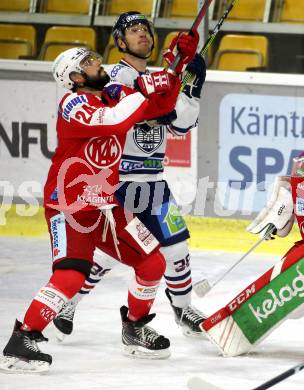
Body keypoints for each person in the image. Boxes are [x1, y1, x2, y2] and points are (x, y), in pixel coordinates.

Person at [0, 46, 184, 372]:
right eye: (88, 62)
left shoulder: (112, 96)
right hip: (69, 207)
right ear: (74, 77)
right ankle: (22, 340)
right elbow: (114, 120)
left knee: (152, 262)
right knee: (71, 275)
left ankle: (135, 326)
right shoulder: (72, 104)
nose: (99, 63)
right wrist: (144, 88)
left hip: (107, 205)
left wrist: (177, 70)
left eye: (95, 58)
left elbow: (160, 107)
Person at [54, 11, 207, 341]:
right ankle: (69, 302)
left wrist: (189, 83)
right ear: (120, 42)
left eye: (146, 30)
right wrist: (172, 72)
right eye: (134, 30)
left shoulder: (155, 77)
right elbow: (130, 101)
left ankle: (183, 309)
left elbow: (181, 123)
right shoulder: (109, 79)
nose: (143, 35)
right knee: (108, 255)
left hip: (153, 183)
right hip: (119, 183)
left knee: (177, 247)